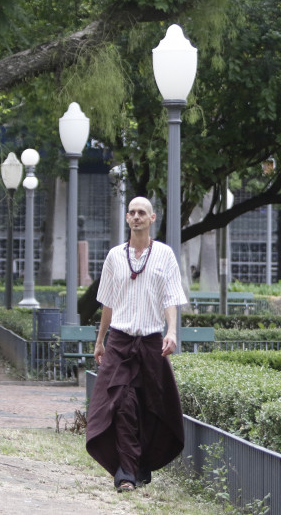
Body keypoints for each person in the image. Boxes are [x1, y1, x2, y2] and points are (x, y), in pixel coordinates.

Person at [86, 196, 187, 493]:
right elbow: (107, 303)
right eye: (131, 212)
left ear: (152, 218)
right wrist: (101, 340)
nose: (136, 216)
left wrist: (171, 332)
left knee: (149, 406)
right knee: (121, 403)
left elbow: (170, 298)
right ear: (127, 218)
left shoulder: (165, 255)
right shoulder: (115, 257)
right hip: (119, 341)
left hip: (151, 342)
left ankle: (139, 466)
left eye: (142, 212)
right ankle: (126, 474)